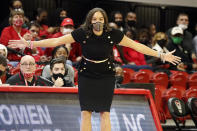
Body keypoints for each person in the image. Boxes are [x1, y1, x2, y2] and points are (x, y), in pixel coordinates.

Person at [9, 8, 181, 131]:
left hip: (106, 75)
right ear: (90, 20)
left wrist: (161, 55)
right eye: (94, 19)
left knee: (105, 113)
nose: (97, 21)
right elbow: (56, 42)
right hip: (86, 74)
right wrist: (30, 43)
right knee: (86, 112)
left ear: (104, 21)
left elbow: (137, 46)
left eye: (100, 19)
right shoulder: (82, 33)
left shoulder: (113, 34)